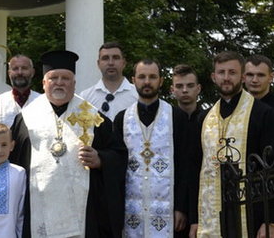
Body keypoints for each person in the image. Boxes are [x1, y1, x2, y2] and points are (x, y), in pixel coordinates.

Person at [9, 50, 127, 237]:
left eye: (65, 78)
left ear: (74, 83)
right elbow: (12, 162)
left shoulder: (93, 117)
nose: (59, 82)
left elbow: (120, 155)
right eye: (53, 78)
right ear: (44, 83)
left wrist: (101, 159)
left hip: (83, 214)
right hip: (36, 209)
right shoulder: (25, 119)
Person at [191, 51, 274, 238]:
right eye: (221, 72)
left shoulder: (264, 114)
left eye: (232, 72)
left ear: (242, 77)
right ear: (213, 77)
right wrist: (195, 218)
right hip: (210, 214)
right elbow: (195, 168)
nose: (226, 78)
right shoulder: (204, 118)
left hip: (252, 212)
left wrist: (271, 220)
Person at [113, 59, 189, 237]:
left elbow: (185, 165)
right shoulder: (122, 119)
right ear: (133, 80)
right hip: (131, 210)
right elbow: (116, 168)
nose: (147, 82)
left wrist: (181, 208)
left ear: (161, 81)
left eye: (152, 77)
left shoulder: (177, 117)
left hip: (168, 210)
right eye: (142, 77)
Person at [169, 64, 203, 237]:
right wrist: (179, 206)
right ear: (172, 89)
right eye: (179, 86)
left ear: (198, 89)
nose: (185, 90)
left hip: (203, 202)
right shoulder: (165, 123)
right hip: (170, 204)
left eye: (190, 86)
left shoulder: (208, 120)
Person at [81, 42, 139, 120]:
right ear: (98, 64)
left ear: (124, 63)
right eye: (105, 58)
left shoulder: (138, 95)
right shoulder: (85, 98)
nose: (111, 63)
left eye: (115, 58)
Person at [0, 54, 41, 126]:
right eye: (15, 69)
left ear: (32, 72)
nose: (20, 72)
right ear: (9, 73)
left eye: (24, 68)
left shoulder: (44, 102)